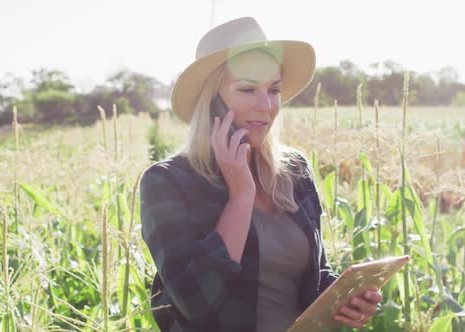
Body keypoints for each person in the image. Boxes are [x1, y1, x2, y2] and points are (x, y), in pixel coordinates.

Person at [139, 17, 382, 332]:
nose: (266, 105)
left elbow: (315, 275)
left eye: (274, 90)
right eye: (247, 89)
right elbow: (194, 302)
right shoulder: (167, 183)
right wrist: (241, 196)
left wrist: (344, 299)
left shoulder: (294, 171)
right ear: (211, 101)